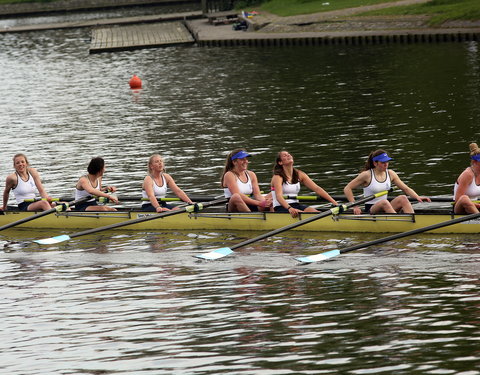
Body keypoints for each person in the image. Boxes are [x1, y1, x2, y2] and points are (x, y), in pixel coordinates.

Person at [344, 149, 430, 215]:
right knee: (385, 202)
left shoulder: (391, 173)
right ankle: (399, 223)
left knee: (403, 198)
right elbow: (347, 188)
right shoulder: (366, 175)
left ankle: (412, 219)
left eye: (387, 162)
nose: (386, 164)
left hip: (386, 206)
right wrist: (354, 206)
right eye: (383, 162)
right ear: (375, 163)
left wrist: (417, 197)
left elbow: (405, 188)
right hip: (371, 209)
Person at [271, 150, 338, 218]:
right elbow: (279, 197)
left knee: (318, 213)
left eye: (288, 154)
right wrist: (290, 208)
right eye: (284, 155)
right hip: (282, 207)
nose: (288, 155)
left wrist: (334, 202)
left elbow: (317, 189)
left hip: (296, 205)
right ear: (280, 162)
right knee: (308, 216)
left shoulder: (299, 174)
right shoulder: (277, 177)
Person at [453, 143, 480, 214]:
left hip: (475, 207)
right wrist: (477, 205)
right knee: (464, 198)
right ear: (475, 162)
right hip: (460, 208)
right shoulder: (468, 174)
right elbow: (458, 200)